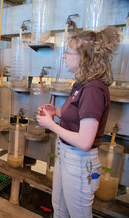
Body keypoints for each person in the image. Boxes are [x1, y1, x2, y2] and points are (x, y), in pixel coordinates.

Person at [36, 27, 120, 218]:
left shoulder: (93, 89)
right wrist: (57, 112)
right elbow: (78, 118)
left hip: (80, 162)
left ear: (85, 58)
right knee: (59, 209)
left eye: (68, 52)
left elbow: (84, 141)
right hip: (65, 155)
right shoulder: (80, 84)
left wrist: (51, 125)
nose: (64, 56)